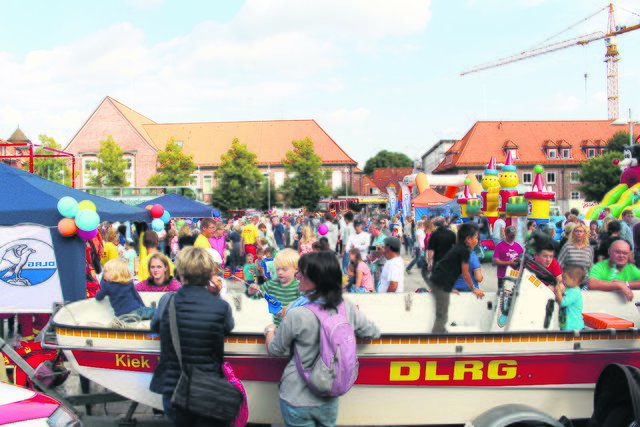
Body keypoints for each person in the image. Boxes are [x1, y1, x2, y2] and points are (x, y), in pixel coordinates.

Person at [264, 251, 380, 427]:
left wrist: (269, 331)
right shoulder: (345, 307)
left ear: (315, 279)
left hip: (296, 397)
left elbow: (275, 350)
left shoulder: (297, 314)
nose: (297, 276)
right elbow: (373, 332)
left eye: (301, 273)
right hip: (329, 397)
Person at [149, 246, 234, 426]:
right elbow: (228, 327)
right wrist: (216, 296)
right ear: (208, 274)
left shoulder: (167, 301)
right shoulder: (220, 306)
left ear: (181, 273)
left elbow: (154, 326)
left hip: (175, 388)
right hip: (208, 389)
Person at [426, 223, 485, 333]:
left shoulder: (456, 250)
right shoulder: (464, 252)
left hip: (441, 282)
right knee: (442, 313)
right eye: (476, 238)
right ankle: (437, 336)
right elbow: (465, 273)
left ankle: (439, 332)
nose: (477, 241)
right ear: (468, 239)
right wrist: (473, 288)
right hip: (440, 283)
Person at [247, 248, 300, 327]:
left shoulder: (299, 286)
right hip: (278, 327)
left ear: (296, 269)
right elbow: (256, 295)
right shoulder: (272, 284)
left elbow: (307, 303)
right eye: (277, 269)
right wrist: (251, 291)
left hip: (295, 327)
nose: (280, 272)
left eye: (284, 269)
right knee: (270, 329)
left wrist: (290, 308)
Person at [557, 222, 593, 289]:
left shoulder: (588, 248)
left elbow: (590, 266)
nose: (579, 233)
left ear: (584, 234)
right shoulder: (567, 247)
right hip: (570, 282)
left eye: (581, 231)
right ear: (573, 233)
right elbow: (559, 264)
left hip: (584, 283)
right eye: (576, 231)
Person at [555, 264, 585, 331]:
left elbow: (562, 302)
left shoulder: (575, 292)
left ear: (575, 280)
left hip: (574, 327)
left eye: (565, 278)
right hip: (565, 325)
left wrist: (558, 291)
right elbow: (558, 301)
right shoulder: (567, 289)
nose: (563, 280)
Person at [493, 225, 523, 290]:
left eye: (513, 236)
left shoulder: (518, 246)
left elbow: (522, 258)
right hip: (503, 275)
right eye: (510, 236)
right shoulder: (499, 246)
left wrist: (519, 261)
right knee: (502, 296)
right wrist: (509, 263)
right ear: (506, 234)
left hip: (514, 275)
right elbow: (495, 261)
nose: (512, 237)